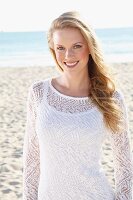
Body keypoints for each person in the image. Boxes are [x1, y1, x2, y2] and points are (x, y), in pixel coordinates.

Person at [23, 11, 133, 200]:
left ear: (89, 47)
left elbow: (124, 165)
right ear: (53, 49)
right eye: (60, 47)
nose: (68, 55)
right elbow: (32, 160)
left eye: (77, 46)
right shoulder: (39, 93)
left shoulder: (111, 98)